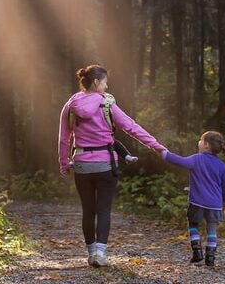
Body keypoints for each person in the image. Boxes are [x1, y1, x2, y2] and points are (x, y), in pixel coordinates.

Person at [58, 64, 166, 268]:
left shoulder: (70, 105)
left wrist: (64, 163)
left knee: (88, 210)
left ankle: (91, 254)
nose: (107, 86)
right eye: (105, 82)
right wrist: (157, 146)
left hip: (81, 164)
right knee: (104, 209)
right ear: (97, 82)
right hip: (106, 164)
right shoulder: (107, 104)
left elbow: (64, 138)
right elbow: (131, 127)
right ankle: (100, 253)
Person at [161, 130, 225, 267]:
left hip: (197, 202)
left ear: (205, 145)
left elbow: (179, 161)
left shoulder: (196, 159)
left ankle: (197, 252)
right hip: (215, 204)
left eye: (200, 140)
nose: (198, 142)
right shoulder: (221, 166)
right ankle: (210, 257)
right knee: (212, 229)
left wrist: (164, 154)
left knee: (193, 224)